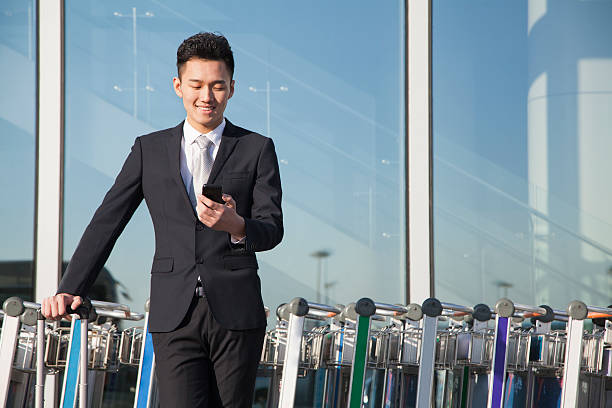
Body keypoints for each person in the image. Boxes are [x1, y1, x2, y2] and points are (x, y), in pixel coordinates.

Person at [41, 32, 283, 407]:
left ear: (232, 88)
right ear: (178, 86)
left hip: (238, 312)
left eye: (218, 86)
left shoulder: (257, 148)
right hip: (174, 312)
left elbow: (272, 228)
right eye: (196, 85)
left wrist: (236, 225)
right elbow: (108, 220)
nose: (207, 96)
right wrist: (71, 287)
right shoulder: (147, 149)